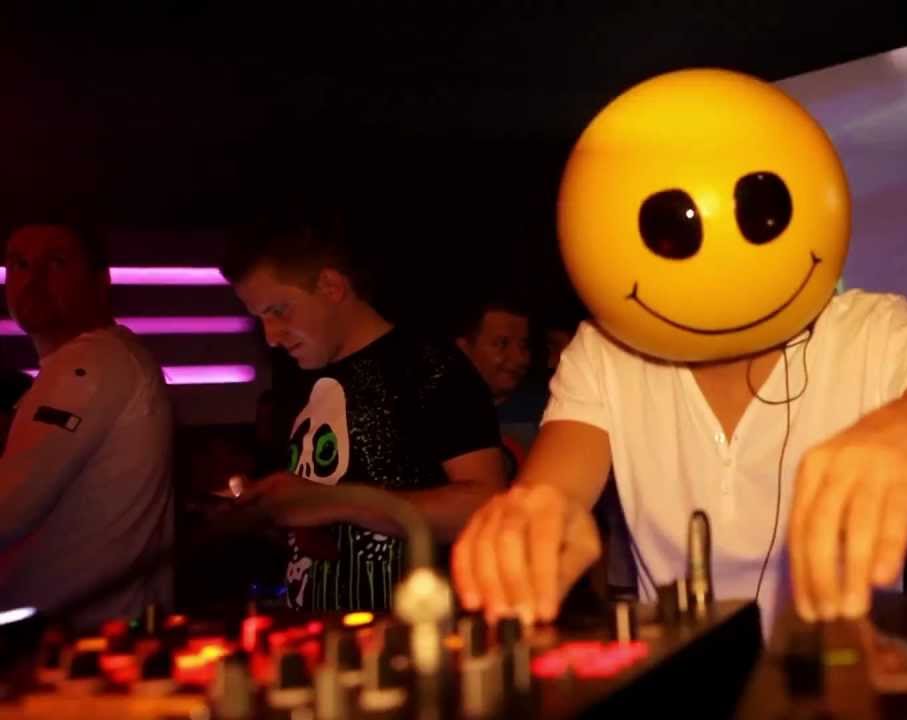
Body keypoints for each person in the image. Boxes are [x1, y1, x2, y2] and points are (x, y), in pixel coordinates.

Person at [450, 69, 907, 634]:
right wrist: (531, 527)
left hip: (843, 687)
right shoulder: (605, 353)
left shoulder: (872, 330)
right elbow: (554, 492)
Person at [221, 218, 506, 611]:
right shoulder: (302, 381)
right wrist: (272, 511)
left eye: (279, 311)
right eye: (260, 319)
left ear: (331, 286)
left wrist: (333, 501)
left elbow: (485, 505)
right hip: (317, 634)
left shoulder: (429, 366)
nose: (270, 336)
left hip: (410, 636)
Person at [0, 222, 174, 629]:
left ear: (101, 280)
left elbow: (6, 510)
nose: (33, 280)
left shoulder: (92, 363)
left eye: (55, 263)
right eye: (20, 264)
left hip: (88, 639)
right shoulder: (90, 364)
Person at [455, 295, 547, 474]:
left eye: (524, 346)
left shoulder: (550, 411)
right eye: (501, 344)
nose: (520, 358)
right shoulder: (437, 414)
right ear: (464, 349)